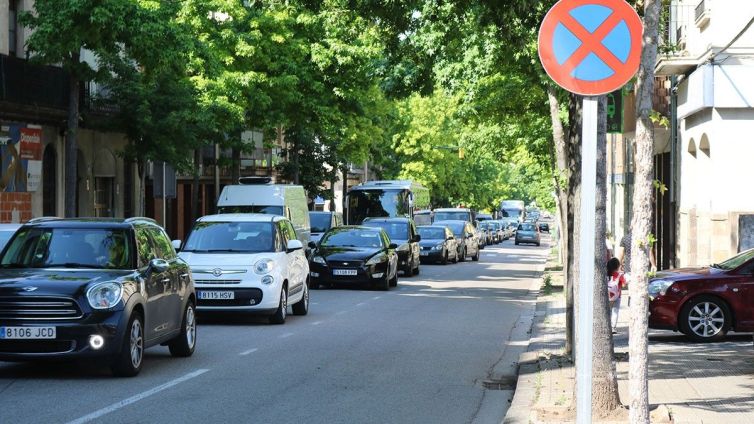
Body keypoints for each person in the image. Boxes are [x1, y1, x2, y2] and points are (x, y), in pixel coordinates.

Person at [607, 257, 626, 333]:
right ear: (618, 266)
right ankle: (613, 327)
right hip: (617, 296)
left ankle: (607, 325)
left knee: (608, 311)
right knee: (615, 311)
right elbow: (624, 285)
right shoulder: (619, 275)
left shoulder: (606, 274)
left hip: (607, 296)